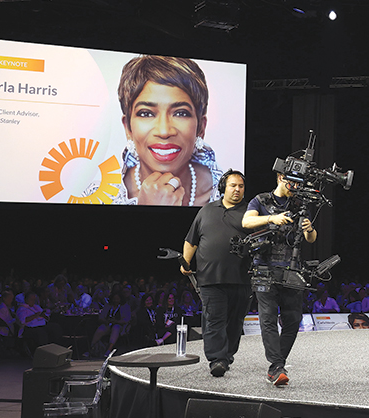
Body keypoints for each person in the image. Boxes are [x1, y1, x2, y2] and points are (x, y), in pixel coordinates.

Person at [84, 55, 222, 205]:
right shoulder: (98, 197)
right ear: (128, 127)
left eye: (180, 113)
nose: (164, 131)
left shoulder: (230, 193)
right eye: (146, 113)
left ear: (201, 127)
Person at [242, 172, 317, 386]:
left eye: (296, 183)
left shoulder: (300, 204)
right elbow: (247, 222)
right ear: (279, 177)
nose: (293, 185)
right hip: (264, 269)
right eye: (289, 181)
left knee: (293, 321)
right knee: (268, 319)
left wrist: (309, 229)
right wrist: (271, 218)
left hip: (292, 270)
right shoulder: (261, 200)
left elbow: (310, 238)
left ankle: (277, 364)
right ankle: (276, 366)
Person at [181, 169, 252, 378]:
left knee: (236, 321)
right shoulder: (206, 210)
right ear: (223, 188)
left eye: (240, 186)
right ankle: (216, 359)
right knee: (214, 320)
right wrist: (185, 261)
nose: (237, 189)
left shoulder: (251, 213)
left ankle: (226, 357)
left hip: (242, 278)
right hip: (211, 278)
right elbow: (191, 240)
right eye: (233, 185)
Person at [89, 291, 131, 357]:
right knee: (101, 328)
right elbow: (101, 317)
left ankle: (109, 350)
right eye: (114, 299)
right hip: (108, 324)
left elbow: (127, 319)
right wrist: (106, 321)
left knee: (116, 328)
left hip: (120, 325)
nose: (116, 300)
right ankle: (91, 348)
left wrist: (117, 321)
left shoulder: (125, 307)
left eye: (117, 299)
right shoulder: (108, 306)